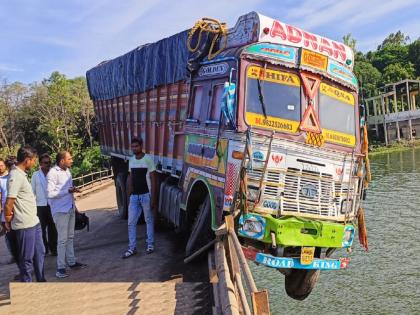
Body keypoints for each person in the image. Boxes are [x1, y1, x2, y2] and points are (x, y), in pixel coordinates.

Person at [3, 146, 46, 282]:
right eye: (33, 160)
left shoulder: (21, 174)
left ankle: (41, 280)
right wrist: (8, 221)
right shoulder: (15, 176)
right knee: (27, 259)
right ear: (27, 160)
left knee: (40, 252)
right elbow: (9, 203)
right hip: (24, 225)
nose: (34, 163)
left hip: (34, 221)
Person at [47, 150, 86, 278]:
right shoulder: (53, 173)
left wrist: (74, 206)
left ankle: (72, 262)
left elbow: (68, 191)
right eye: (69, 159)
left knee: (70, 237)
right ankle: (60, 268)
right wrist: (67, 191)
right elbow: (50, 194)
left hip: (69, 208)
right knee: (62, 240)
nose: (72, 160)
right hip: (60, 211)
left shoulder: (67, 171)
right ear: (62, 161)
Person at [122, 137, 157, 259]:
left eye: (136, 146)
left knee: (148, 220)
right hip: (134, 197)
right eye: (132, 146)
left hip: (146, 195)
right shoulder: (131, 160)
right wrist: (129, 195)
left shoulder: (148, 159)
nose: (134, 148)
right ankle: (132, 248)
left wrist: (153, 198)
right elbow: (131, 178)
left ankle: (150, 245)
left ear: (141, 146)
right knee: (131, 223)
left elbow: (153, 179)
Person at [32, 153, 57, 256]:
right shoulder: (35, 175)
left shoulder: (54, 173)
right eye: (46, 163)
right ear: (41, 164)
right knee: (41, 229)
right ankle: (44, 248)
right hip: (40, 206)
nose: (48, 164)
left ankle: (53, 248)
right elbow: (32, 191)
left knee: (53, 227)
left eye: (49, 162)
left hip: (52, 204)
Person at [0, 156, 20, 272]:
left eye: (1, 165)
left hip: (17, 211)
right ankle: (19, 265)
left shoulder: (13, 176)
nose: (0, 167)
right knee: (11, 239)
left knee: (20, 238)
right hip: (5, 214)